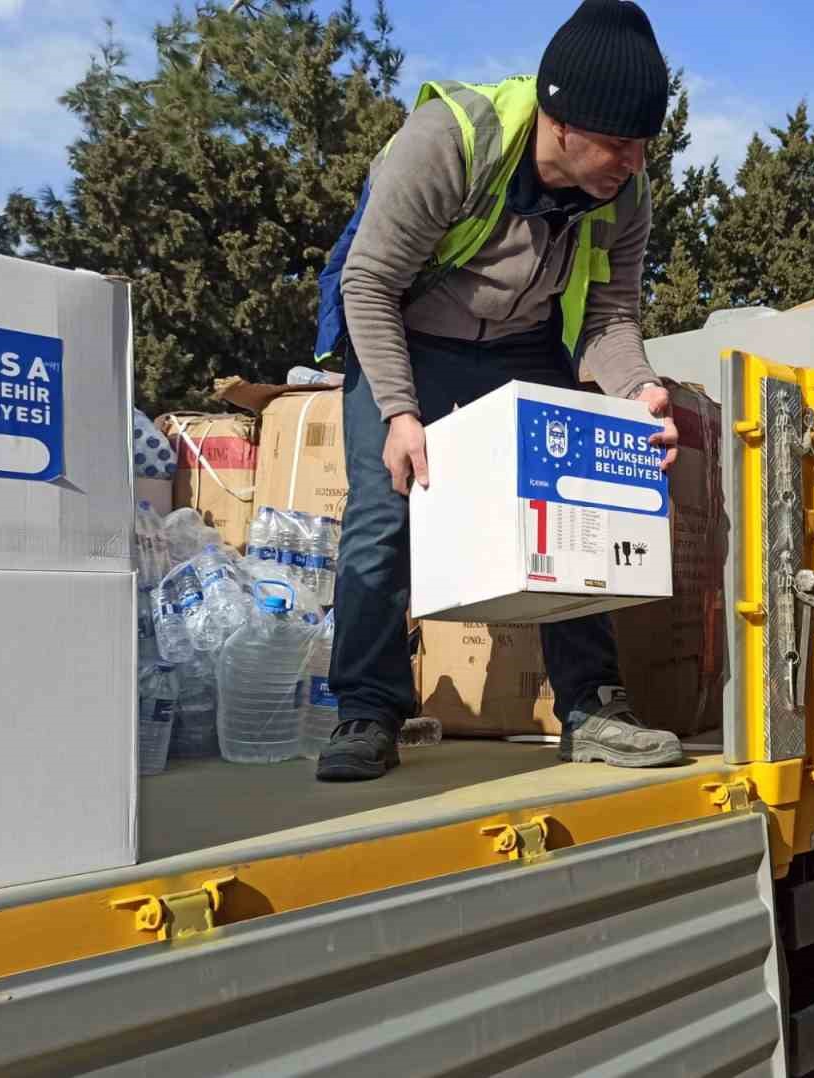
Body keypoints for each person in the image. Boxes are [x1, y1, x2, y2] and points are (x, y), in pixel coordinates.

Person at [311, 0, 683, 781]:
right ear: (560, 121)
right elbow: (370, 283)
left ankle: (591, 705)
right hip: (407, 328)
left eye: (644, 145)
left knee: (576, 500)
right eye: (618, 144)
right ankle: (366, 710)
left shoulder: (627, 196)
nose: (633, 163)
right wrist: (401, 413)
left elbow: (611, 315)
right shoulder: (450, 143)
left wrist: (641, 388)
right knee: (385, 514)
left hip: (521, 342)